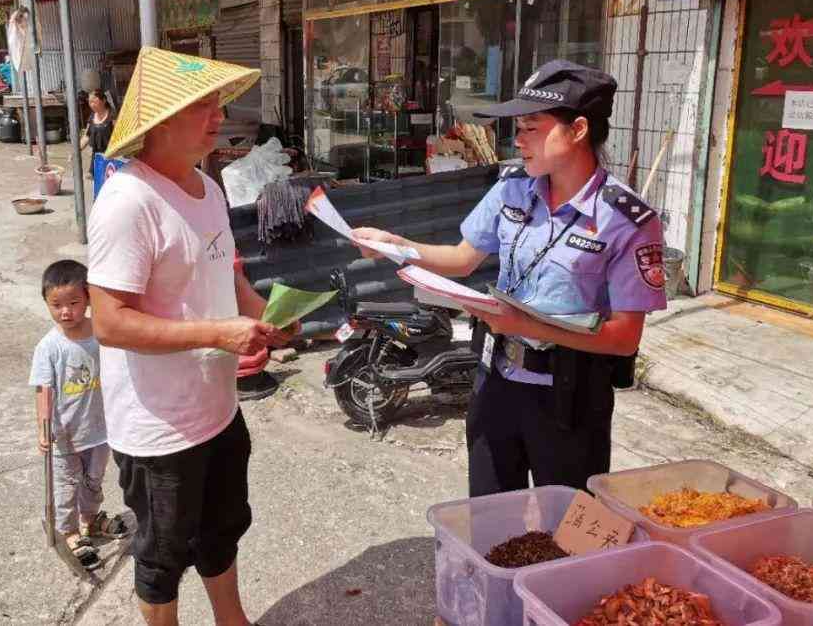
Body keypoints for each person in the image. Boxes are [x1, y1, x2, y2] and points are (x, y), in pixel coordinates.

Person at [354, 60, 667, 496]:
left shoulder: (626, 220)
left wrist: (528, 326)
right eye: (517, 128)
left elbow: (624, 338)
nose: (517, 140)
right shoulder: (513, 186)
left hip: (569, 397)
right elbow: (462, 258)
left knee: (569, 527)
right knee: (489, 515)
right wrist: (396, 245)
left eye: (531, 128)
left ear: (577, 130)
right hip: (495, 381)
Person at [87, 47, 293, 626]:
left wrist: (266, 314)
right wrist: (217, 334)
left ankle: (234, 620)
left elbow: (227, 274)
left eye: (217, 104)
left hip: (218, 409)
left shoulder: (208, 188)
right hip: (159, 426)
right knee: (162, 554)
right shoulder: (128, 201)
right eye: (202, 105)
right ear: (160, 121)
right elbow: (108, 321)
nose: (218, 116)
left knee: (222, 529)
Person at [29, 259, 128, 572]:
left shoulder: (100, 332)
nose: (66, 312)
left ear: (88, 298)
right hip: (65, 435)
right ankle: (68, 530)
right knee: (66, 485)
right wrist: (43, 429)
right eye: (56, 305)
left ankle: (90, 521)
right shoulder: (49, 347)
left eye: (73, 303)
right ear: (46, 303)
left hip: (100, 430)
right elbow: (43, 390)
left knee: (94, 480)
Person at [79, 88, 115, 197]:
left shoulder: (112, 116)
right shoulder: (91, 117)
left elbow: (119, 137)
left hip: (112, 157)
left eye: (94, 101)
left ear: (103, 100)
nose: (91, 104)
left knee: (111, 187)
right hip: (97, 158)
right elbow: (86, 136)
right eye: (89, 102)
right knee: (99, 188)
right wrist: (76, 151)